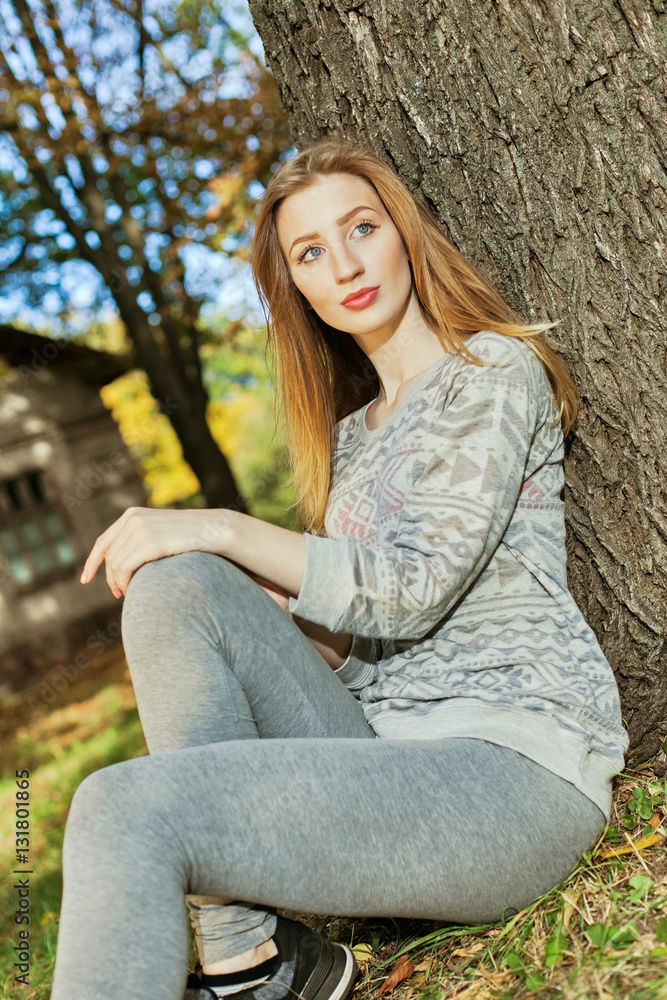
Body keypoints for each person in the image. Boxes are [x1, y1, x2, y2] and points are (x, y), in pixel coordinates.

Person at [50, 139, 628, 1000]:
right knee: (178, 581)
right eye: (311, 252)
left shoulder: (491, 373)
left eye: (361, 228)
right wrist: (254, 607)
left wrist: (224, 525)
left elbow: (410, 589)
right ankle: (257, 962)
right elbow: (358, 647)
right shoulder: (350, 440)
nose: (345, 265)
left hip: (507, 773)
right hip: (377, 758)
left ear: (404, 233)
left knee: (120, 806)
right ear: (296, 287)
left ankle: (248, 958)